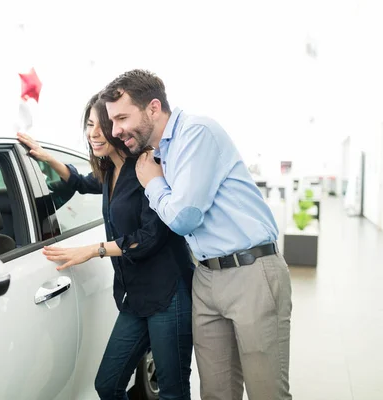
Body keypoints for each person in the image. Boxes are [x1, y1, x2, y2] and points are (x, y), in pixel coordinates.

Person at [100, 69, 293, 400]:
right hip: (206, 277)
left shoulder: (196, 133)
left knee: (266, 392)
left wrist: (153, 183)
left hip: (251, 273)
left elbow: (185, 217)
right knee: (216, 392)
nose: (115, 131)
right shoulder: (158, 153)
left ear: (153, 108)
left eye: (121, 118)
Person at [17, 93, 195, 400]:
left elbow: (150, 237)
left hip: (168, 294)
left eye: (102, 125)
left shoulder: (145, 166)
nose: (94, 133)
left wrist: (91, 250)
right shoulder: (109, 170)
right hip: (134, 297)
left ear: (117, 129)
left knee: (172, 392)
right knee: (108, 385)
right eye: (89, 125)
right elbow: (83, 182)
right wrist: (46, 158)